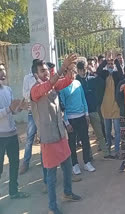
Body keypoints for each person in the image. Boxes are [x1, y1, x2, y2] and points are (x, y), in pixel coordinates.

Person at [30, 57, 82, 214]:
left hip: (60, 133)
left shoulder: (52, 86)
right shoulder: (35, 90)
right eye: (42, 71)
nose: (46, 72)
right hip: (48, 137)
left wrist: (71, 68)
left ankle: (67, 193)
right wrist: (60, 70)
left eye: (46, 70)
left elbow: (67, 81)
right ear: (35, 74)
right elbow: (48, 85)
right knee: (51, 175)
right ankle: (52, 207)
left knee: (67, 166)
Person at [0, 62, 30, 200]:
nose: (3, 72)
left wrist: (20, 107)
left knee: (14, 164)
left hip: (12, 133)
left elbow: (13, 111)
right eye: (0, 70)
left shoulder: (8, 89)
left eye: (4, 69)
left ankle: (13, 191)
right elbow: (8, 110)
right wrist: (9, 109)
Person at [59, 63, 96, 175]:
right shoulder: (62, 86)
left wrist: (86, 114)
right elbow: (62, 107)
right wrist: (66, 122)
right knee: (72, 143)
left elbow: (83, 99)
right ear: (65, 72)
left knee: (85, 140)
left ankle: (87, 162)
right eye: (71, 71)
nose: (74, 74)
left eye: (75, 71)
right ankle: (74, 164)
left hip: (81, 117)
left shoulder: (78, 83)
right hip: (70, 119)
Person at [76, 60, 109, 158]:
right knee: (85, 136)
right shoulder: (75, 81)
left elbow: (102, 83)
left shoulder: (92, 79)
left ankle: (106, 153)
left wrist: (94, 71)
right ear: (77, 70)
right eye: (80, 70)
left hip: (93, 110)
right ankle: (89, 156)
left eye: (84, 69)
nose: (83, 71)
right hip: (82, 112)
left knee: (99, 133)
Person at [97, 59, 124, 159]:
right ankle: (108, 149)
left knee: (117, 131)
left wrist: (117, 62)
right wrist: (104, 61)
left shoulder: (117, 75)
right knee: (107, 131)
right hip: (105, 105)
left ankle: (117, 151)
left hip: (116, 105)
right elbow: (98, 71)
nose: (110, 66)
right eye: (109, 64)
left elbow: (121, 74)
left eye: (111, 64)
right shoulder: (104, 74)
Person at [19, 59, 40, 175]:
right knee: (30, 138)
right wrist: (35, 91)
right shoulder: (28, 78)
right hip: (32, 111)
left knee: (44, 137)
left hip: (42, 111)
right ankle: (25, 163)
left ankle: (44, 161)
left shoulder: (43, 76)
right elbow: (25, 94)